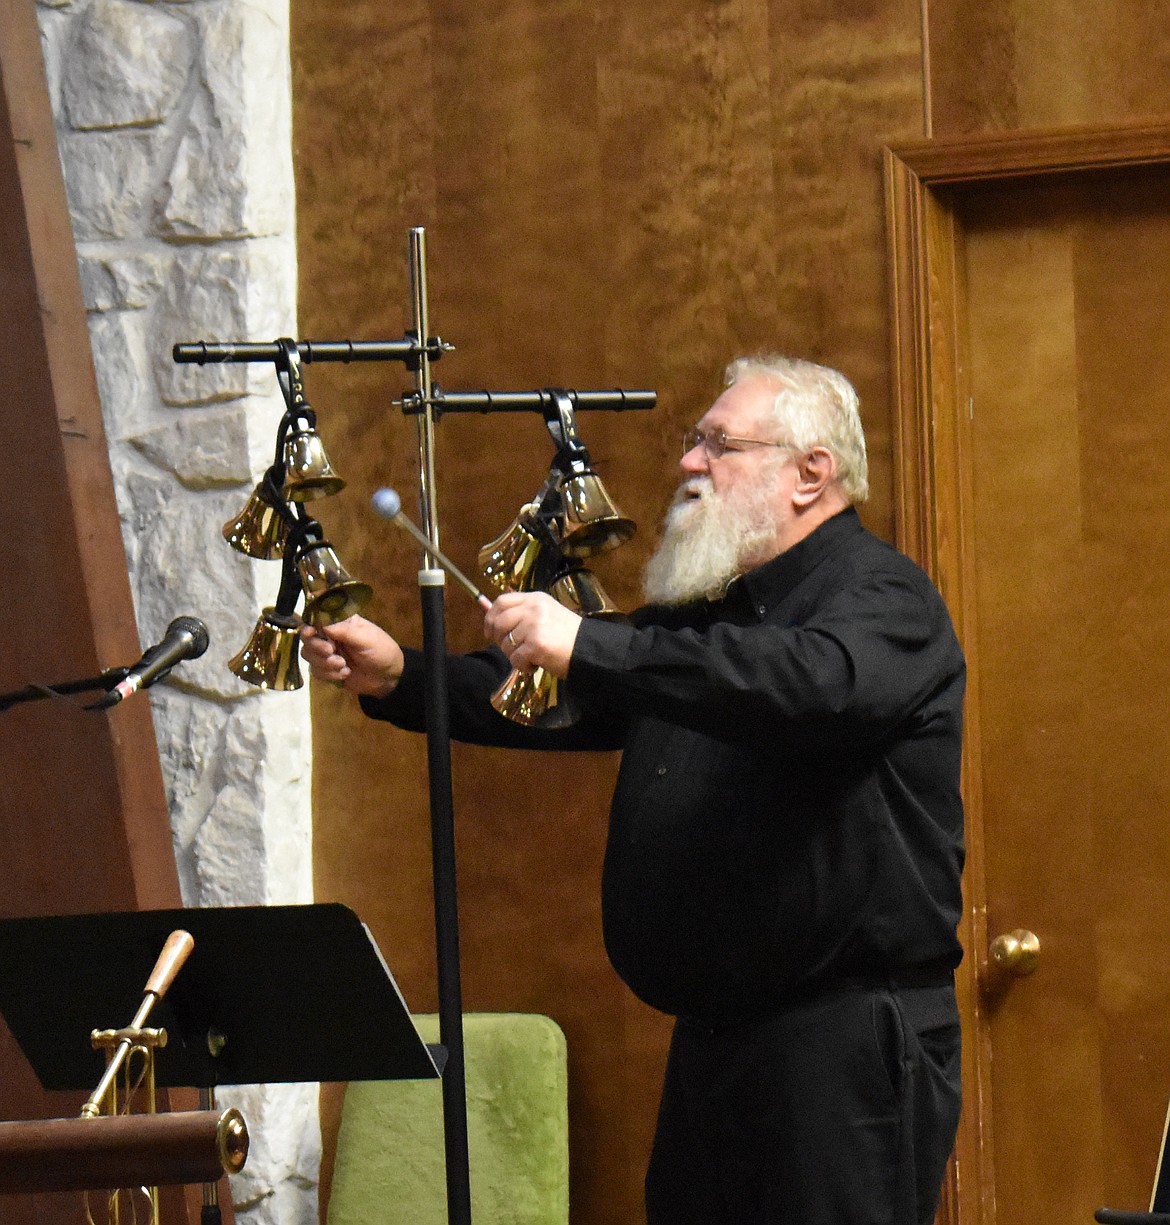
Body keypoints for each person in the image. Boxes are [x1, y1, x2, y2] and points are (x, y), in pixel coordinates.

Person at [301, 355, 966, 1225]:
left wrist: (594, 645)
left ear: (812, 473)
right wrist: (403, 678)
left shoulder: (884, 599)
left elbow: (807, 686)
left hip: (842, 1049)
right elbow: (565, 696)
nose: (690, 462)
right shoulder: (711, 617)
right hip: (718, 1044)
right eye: (696, 441)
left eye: (721, 444)